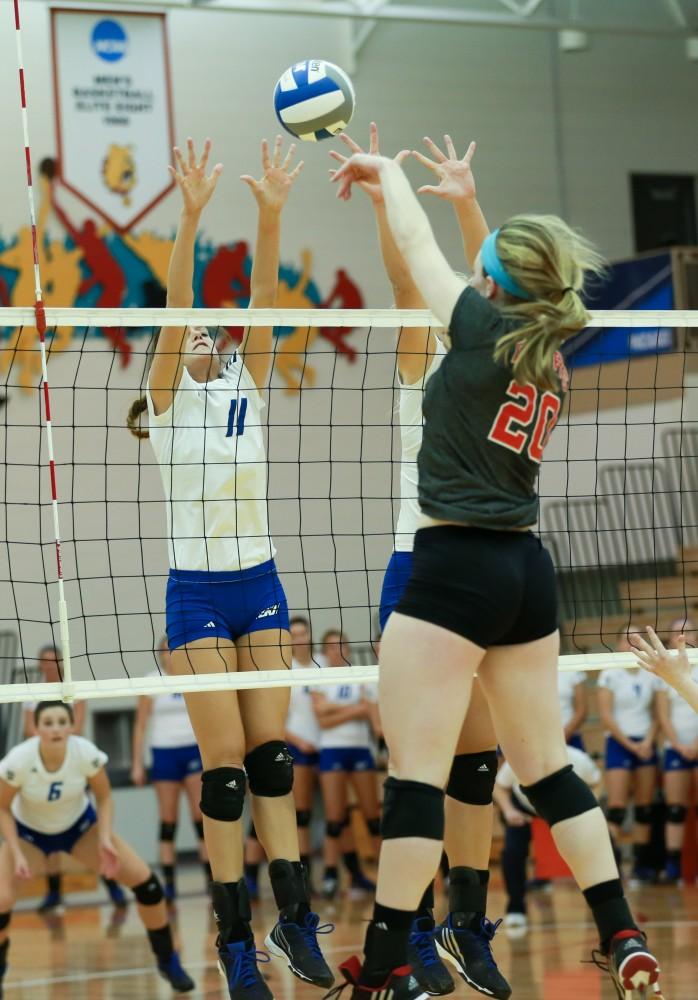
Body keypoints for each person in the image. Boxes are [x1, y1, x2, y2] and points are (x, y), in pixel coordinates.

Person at [329, 147, 663, 1000]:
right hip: (525, 573)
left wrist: (384, 172)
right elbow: (488, 275)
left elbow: (417, 247)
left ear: (493, 286)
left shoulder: (481, 329)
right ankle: (623, 935)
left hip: (452, 570)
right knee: (548, 770)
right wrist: (475, 206)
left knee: (414, 782)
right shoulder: (546, 350)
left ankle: (382, 968)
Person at [126, 137, 332, 999]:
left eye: (216, 329)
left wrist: (272, 212)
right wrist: (194, 212)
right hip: (199, 592)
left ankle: (291, 916)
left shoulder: (242, 378)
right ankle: (234, 939)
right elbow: (179, 306)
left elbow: (266, 297)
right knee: (225, 773)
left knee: (274, 761)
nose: (212, 333)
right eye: (198, 334)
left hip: (264, 580)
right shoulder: (170, 401)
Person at [330, 125, 508, 999]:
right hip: (420, 565)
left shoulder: (499, 354)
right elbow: (409, 277)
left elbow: (500, 282)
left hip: (488, 563)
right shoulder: (424, 352)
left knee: (479, 767)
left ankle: (467, 928)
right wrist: (383, 199)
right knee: (421, 773)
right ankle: (412, 941)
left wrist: (471, 203)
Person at [0, 702, 194, 994]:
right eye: (48, 723)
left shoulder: (84, 752)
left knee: (149, 886)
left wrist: (104, 838)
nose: (55, 729)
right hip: (29, 835)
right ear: (36, 728)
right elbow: (2, 807)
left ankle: (167, 959)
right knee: (1, 901)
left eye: (61, 722)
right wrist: (14, 851)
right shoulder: (19, 760)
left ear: (71, 724)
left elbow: (104, 798)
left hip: (80, 828)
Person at [22, 645, 126, 915]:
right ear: (39, 664)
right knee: (49, 832)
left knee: (93, 833)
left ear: (62, 663)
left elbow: (76, 728)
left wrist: (52, 739)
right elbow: (27, 730)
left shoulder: (72, 688)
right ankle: (54, 892)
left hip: (75, 770)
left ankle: (113, 887)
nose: (49, 665)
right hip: (43, 771)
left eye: (54, 661)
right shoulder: (30, 694)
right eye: (45, 661)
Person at [131, 636, 210, 904]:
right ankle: (170, 885)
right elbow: (140, 725)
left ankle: (212, 881)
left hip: (192, 750)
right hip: (163, 753)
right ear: (160, 655)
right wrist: (137, 763)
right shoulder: (151, 681)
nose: (170, 655)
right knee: (168, 822)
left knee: (201, 817)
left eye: (174, 650)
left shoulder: (194, 677)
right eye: (166, 651)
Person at [494, 745, 601, 938]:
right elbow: (500, 786)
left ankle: (603, 907)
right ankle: (516, 907)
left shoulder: (578, 759)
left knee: (602, 847)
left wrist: (587, 808)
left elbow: (596, 783)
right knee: (512, 851)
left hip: (567, 809)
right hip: (525, 811)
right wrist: (509, 810)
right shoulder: (518, 758)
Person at [312, 630, 381, 901]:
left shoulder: (360, 675)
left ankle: (381, 873)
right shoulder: (319, 677)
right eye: (330, 646)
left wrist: (335, 710)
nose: (336, 650)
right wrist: (356, 710)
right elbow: (321, 718)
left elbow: (369, 711)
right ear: (324, 651)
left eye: (341, 644)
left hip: (360, 749)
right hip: (332, 750)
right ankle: (331, 874)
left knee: (372, 817)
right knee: (334, 819)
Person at [598, 629, 659, 883]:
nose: (632, 641)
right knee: (617, 809)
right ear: (618, 643)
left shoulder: (651, 670)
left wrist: (647, 741)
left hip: (645, 742)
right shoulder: (609, 674)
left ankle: (641, 867)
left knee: (644, 809)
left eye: (637, 637)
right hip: (619, 743)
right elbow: (606, 716)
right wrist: (631, 745)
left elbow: (658, 713)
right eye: (627, 638)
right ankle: (613, 867)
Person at [652, 619, 698, 882]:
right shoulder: (663, 670)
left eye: (688, 629)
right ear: (670, 638)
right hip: (675, 747)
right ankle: (673, 867)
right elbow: (662, 716)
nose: (683, 634)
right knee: (675, 810)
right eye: (676, 631)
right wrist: (680, 745)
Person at [633, 625, 698, 713]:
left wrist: (680, 680)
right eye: (677, 633)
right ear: (670, 640)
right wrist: (680, 680)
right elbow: (662, 713)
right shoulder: (660, 670)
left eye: (688, 632)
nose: (683, 636)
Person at [558, 670, 589, 750]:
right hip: (542, 740)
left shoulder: (573, 671)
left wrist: (563, 737)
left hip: (571, 737)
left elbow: (582, 710)